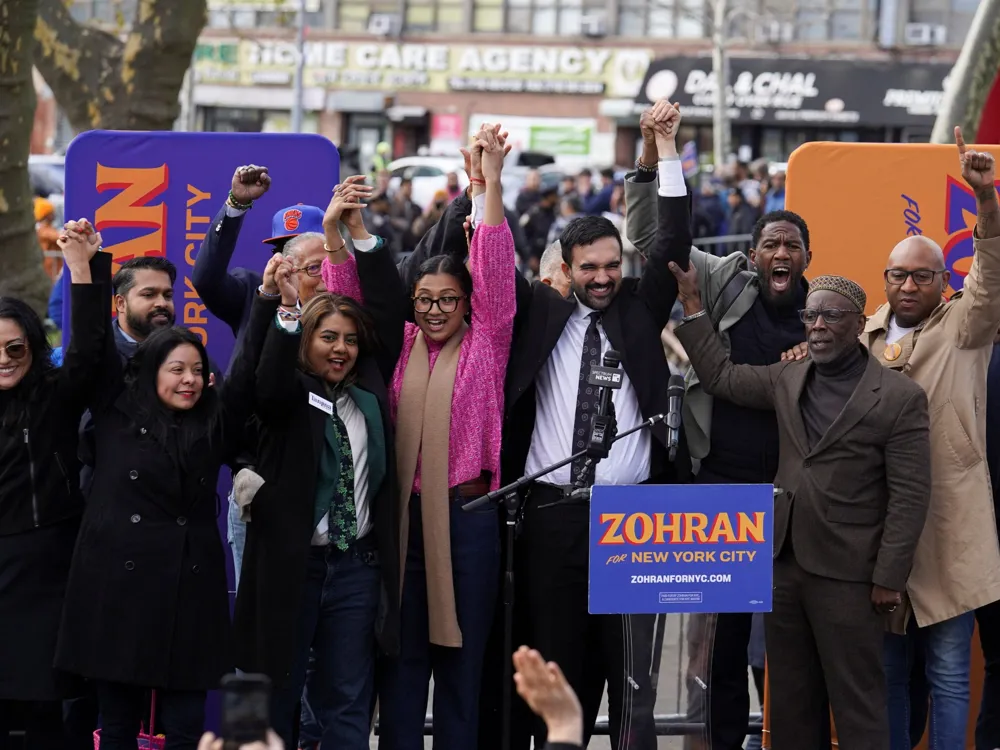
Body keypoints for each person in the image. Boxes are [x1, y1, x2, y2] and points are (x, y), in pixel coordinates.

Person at [673, 266, 931, 750]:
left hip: (852, 577)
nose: (817, 325)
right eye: (810, 316)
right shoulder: (787, 376)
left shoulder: (900, 398)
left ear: (859, 324)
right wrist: (692, 306)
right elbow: (721, 376)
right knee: (790, 704)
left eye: (831, 315)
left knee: (858, 706)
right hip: (783, 567)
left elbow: (911, 495)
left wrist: (889, 577)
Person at [625, 98, 813, 750]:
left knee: (787, 650)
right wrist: (652, 155)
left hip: (793, 499)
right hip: (723, 490)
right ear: (754, 254)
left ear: (808, 256)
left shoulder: (827, 316)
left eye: (792, 245)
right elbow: (655, 242)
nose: (780, 253)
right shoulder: (723, 280)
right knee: (723, 646)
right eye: (770, 245)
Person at [321, 124, 516, 749]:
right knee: (400, 665)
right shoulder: (399, 347)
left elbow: (490, 260)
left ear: (468, 304)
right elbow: (348, 299)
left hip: (467, 521)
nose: (435, 310)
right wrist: (335, 235)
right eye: (425, 300)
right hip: (402, 522)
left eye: (448, 300)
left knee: (463, 670)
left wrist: (488, 183)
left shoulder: (488, 341)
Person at [506, 102, 689, 749]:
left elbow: (671, 239)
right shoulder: (539, 316)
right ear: (565, 267)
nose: (604, 277)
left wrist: (665, 148)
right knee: (560, 672)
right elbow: (493, 272)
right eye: (590, 268)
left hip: (633, 518)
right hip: (551, 517)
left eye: (612, 264)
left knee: (632, 679)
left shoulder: (640, 309)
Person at [53, 232, 272, 750]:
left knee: (184, 727)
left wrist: (265, 302)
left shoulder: (211, 418)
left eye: (197, 371)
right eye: (178, 371)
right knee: (118, 721)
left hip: (188, 586)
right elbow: (87, 348)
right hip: (116, 577)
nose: (191, 380)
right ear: (152, 374)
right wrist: (85, 268)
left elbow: (241, 382)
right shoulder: (114, 402)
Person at [232, 254, 399, 749]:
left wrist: (363, 242)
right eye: (328, 337)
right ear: (306, 341)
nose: (341, 349)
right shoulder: (288, 398)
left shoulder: (368, 395)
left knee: (348, 699)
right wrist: (282, 308)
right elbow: (263, 383)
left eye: (349, 339)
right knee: (277, 693)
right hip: (294, 567)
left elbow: (387, 306)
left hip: (357, 567)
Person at [869, 128, 1000, 750]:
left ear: (941, 280)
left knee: (949, 674)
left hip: (950, 530)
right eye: (898, 276)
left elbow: (990, 278)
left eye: (922, 277)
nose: (909, 287)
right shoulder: (861, 335)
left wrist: (986, 202)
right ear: (886, 278)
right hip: (884, 535)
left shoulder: (964, 328)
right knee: (890, 676)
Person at [0, 221, 108, 750]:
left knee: (44, 702)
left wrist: (82, 269)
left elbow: (87, 351)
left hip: (48, 561)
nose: (3, 359)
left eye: (14, 349)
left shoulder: (53, 396)